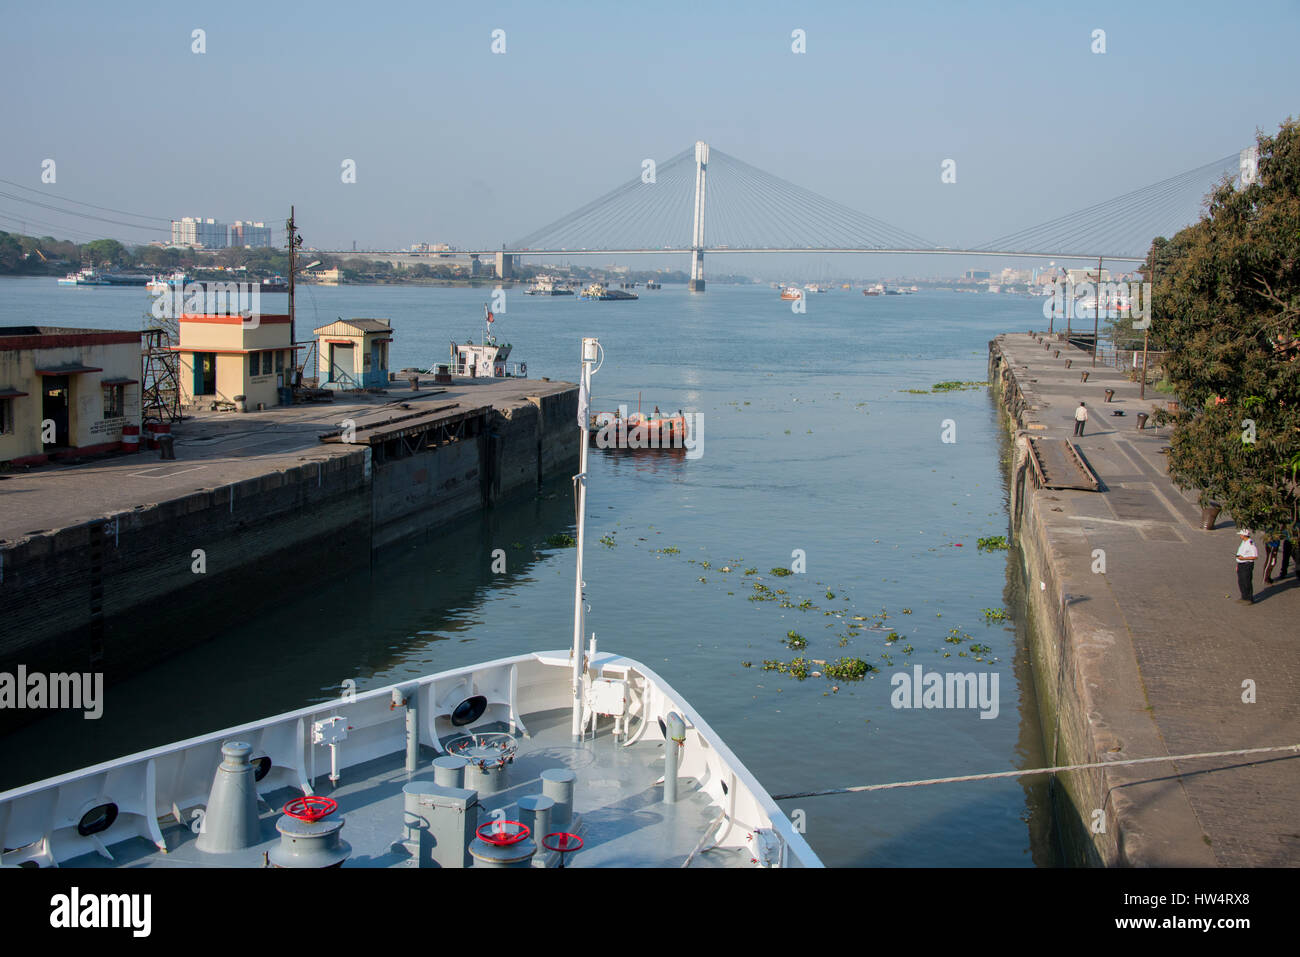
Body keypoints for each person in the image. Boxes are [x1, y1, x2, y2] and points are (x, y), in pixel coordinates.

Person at [1236, 529, 1258, 604]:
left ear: (1244, 535)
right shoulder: (1243, 542)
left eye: (1241, 534)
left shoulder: (1250, 543)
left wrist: (1243, 558)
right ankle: (1244, 597)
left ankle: (1249, 599)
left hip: (1247, 564)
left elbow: (1255, 556)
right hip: (1240, 564)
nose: (1240, 536)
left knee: (1247, 581)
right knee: (1241, 581)